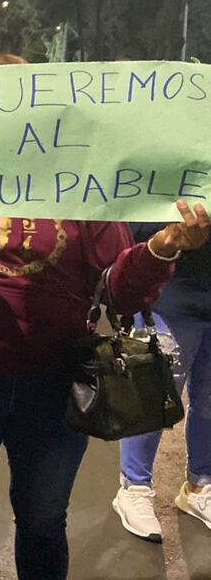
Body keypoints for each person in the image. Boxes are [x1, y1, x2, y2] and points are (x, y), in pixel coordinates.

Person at [0, 52, 210, 579]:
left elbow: (119, 292)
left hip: (53, 383)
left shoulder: (78, 180)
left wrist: (164, 248)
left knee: (44, 519)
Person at [112, 226, 211, 541]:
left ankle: (200, 485)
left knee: (209, 399)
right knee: (152, 393)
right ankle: (134, 487)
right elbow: (136, 217)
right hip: (172, 293)